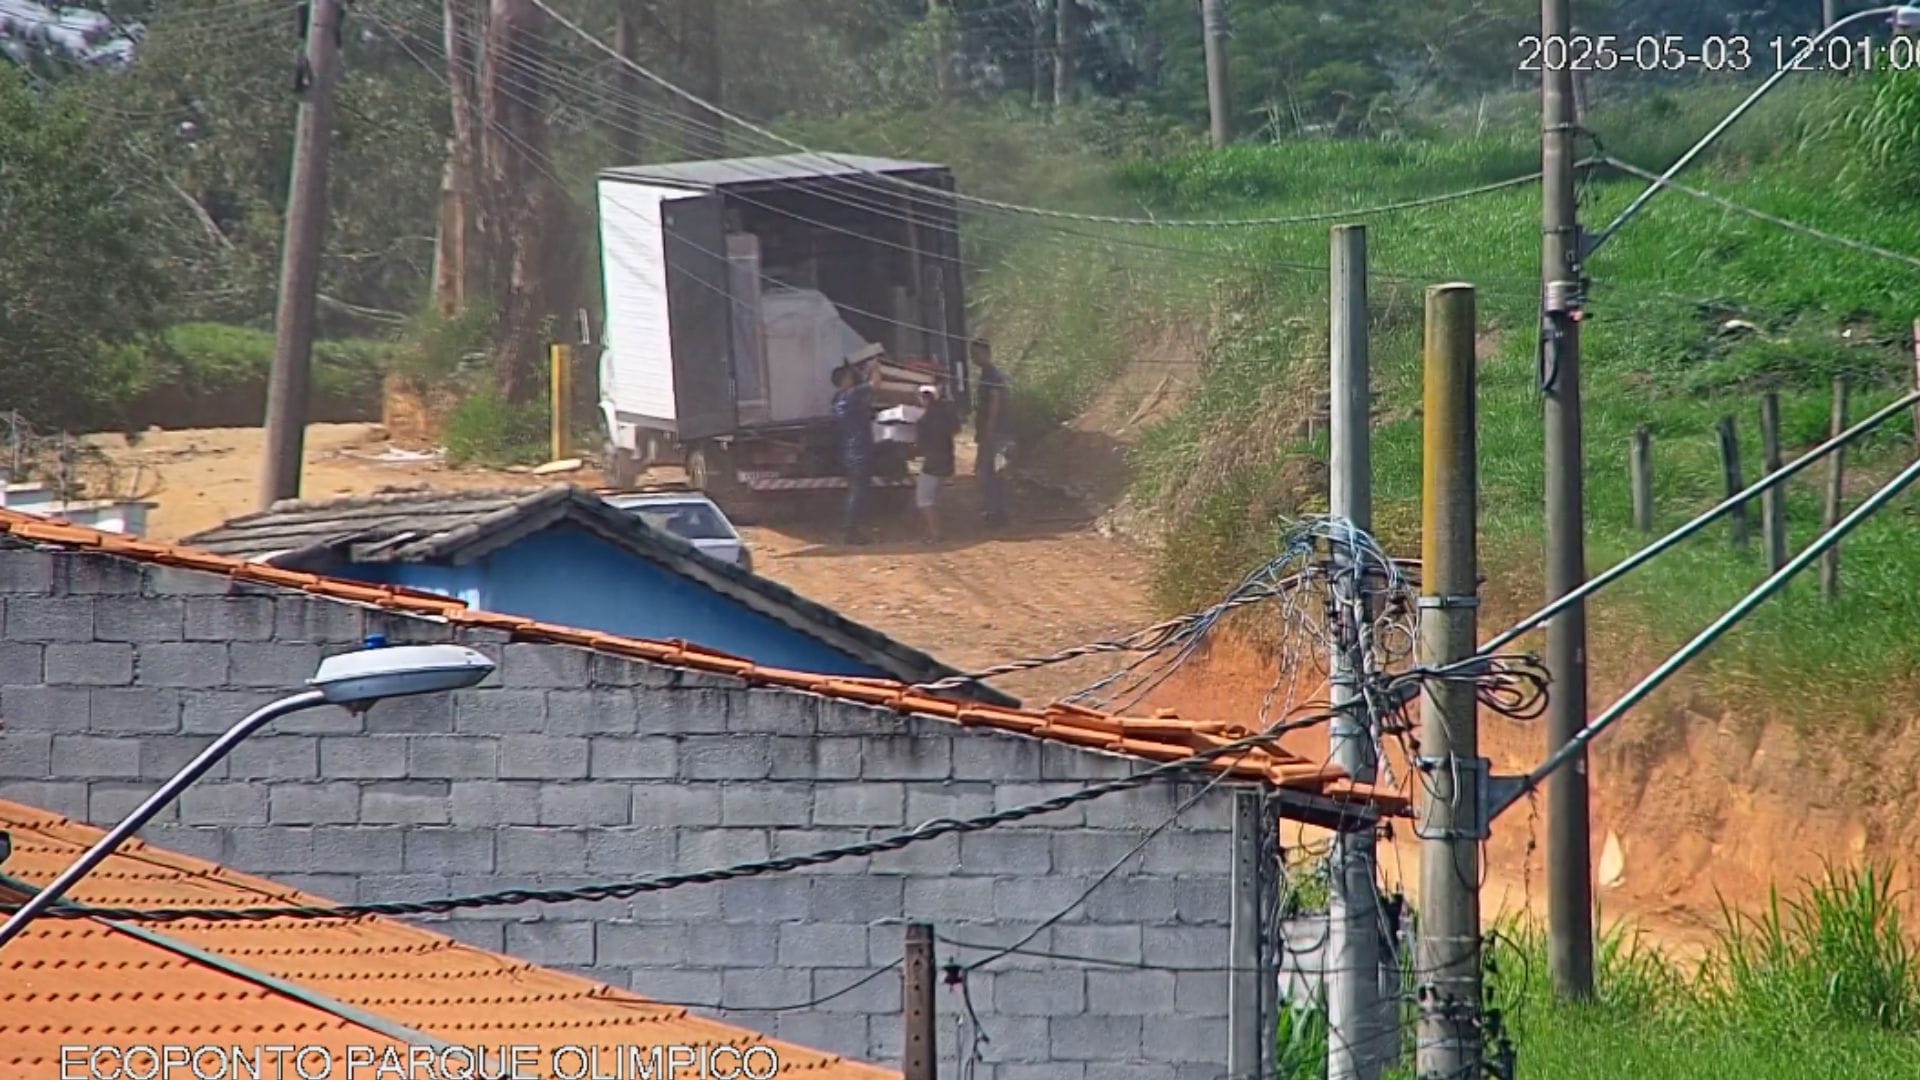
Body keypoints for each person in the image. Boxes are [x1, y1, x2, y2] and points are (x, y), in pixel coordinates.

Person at [831, 362, 875, 544]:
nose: (853, 379)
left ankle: (852, 529)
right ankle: (850, 531)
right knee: (858, 492)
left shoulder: (838, 398)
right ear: (844, 380)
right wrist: (875, 366)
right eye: (850, 376)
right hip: (859, 450)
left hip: (850, 449)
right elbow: (875, 384)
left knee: (856, 491)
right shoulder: (852, 395)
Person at [970, 338, 1011, 527]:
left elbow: (995, 402)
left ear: (986, 353)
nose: (973, 358)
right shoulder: (987, 374)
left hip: (995, 432)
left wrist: (989, 430)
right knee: (991, 472)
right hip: (993, 431)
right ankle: (996, 510)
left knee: (988, 472)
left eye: (975, 354)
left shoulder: (992, 375)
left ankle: (996, 512)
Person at [913, 383, 959, 541]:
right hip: (947, 461)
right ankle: (935, 532)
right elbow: (956, 429)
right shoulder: (946, 416)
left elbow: (920, 447)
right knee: (934, 498)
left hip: (932, 464)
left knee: (924, 500)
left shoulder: (923, 421)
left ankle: (935, 534)